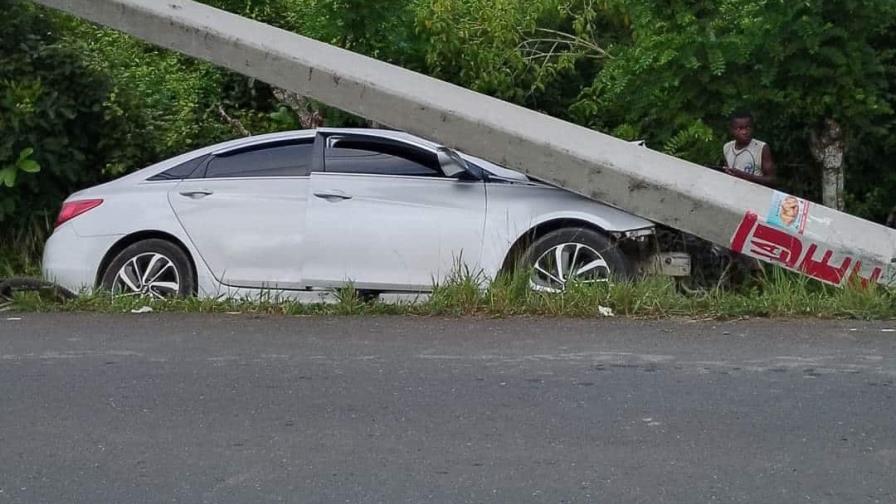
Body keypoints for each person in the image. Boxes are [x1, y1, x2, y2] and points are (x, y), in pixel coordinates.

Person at [723, 111, 777, 187]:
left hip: (755, 194)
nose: (744, 132)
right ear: (731, 130)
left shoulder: (761, 147)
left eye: (748, 127)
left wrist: (745, 176)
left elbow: (772, 180)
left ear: (753, 128)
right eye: (739, 129)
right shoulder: (727, 147)